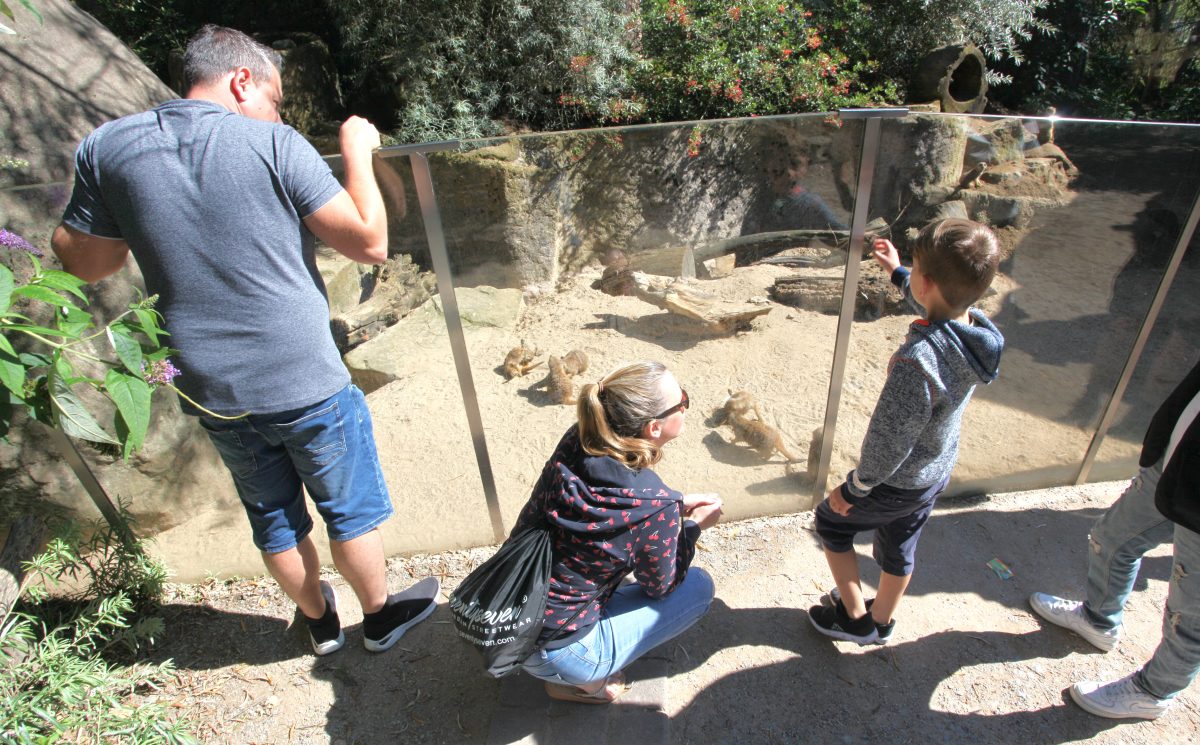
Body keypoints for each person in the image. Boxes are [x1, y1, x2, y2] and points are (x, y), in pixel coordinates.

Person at [50, 25, 438, 656]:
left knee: (275, 520)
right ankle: (379, 618)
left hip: (212, 389)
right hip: (306, 378)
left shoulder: (108, 148)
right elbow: (369, 242)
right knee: (350, 510)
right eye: (276, 98)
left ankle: (318, 624)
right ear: (240, 82)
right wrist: (356, 150)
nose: (278, 112)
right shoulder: (274, 144)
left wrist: (113, 211)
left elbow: (86, 263)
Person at [808, 219, 1004, 645]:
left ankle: (856, 620)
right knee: (900, 546)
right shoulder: (977, 333)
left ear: (927, 283)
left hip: (895, 481)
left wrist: (856, 487)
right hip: (933, 472)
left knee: (831, 523)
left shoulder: (918, 361)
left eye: (915, 269)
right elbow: (940, 313)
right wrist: (898, 272)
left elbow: (889, 440)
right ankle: (883, 620)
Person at [515, 361, 722, 703]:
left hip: (513, 604)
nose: (685, 406)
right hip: (554, 652)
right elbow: (661, 586)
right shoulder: (654, 506)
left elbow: (613, 501)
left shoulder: (580, 437)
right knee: (699, 586)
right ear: (654, 428)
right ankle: (588, 686)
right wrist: (692, 526)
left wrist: (673, 504)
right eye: (682, 401)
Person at [1029, 359, 1200, 720]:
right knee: (1110, 538)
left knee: (1188, 614)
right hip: (1178, 462)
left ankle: (1153, 692)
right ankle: (1098, 620)